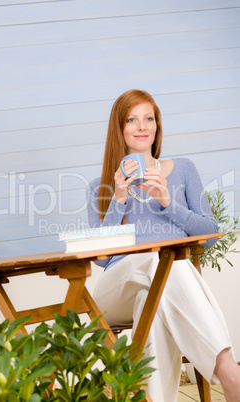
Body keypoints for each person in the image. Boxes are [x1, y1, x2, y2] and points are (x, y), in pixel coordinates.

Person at [87, 89, 240, 402]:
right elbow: (100, 259)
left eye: (149, 118)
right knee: (162, 262)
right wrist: (119, 197)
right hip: (115, 290)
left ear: (157, 126)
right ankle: (228, 370)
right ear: (120, 128)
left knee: (153, 300)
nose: (142, 126)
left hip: (159, 283)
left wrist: (169, 202)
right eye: (132, 119)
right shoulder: (100, 184)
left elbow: (210, 235)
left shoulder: (183, 170)